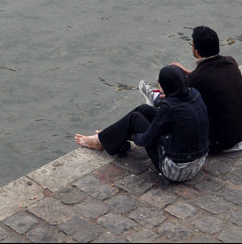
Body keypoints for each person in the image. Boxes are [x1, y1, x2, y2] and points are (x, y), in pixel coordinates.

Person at [139, 25, 242, 152]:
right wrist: (187, 72)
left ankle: (154, 98)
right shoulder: (230, 62)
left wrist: (164, 88)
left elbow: (177, 94)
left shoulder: (196, 79)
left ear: (196, 51)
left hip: (218, 141)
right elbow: (208, 78)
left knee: (173, 107)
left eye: (192, 44)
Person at [75, 65, 210, 183]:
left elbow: (145, 140)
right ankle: (108, 137)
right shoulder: (195, 94)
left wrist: (134, 136)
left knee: (135, 119)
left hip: (176, 170)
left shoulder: (169, 107)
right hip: (198, 161)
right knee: (144, 109)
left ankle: (103, 140)